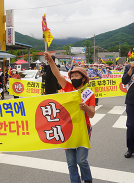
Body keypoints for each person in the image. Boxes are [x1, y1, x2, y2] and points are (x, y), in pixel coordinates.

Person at [44, 52, 94, 183]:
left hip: (84, 128)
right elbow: (57, 74)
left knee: (81, 160)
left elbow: (92, 114)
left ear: (83, 78)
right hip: (67, 129)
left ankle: (87, 179)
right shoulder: (68, 87)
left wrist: (86, 108)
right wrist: (50, 61)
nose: (73, 77)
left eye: (77, 75)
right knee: (71, 162)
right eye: (72, 75)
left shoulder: (89, 94)